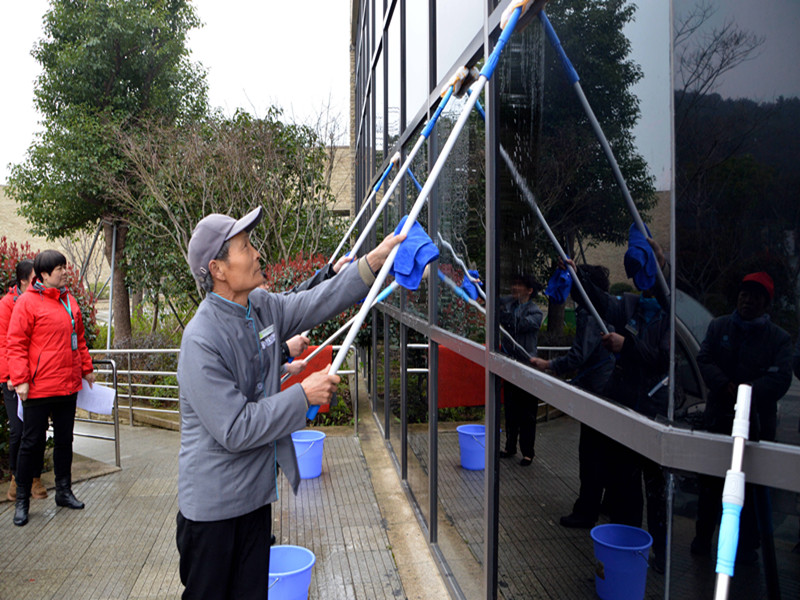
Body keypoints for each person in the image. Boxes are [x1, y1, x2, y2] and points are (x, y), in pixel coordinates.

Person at [175, 207, 403, 600]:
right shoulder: (201, 339)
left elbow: (319, 300)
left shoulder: (261, 306)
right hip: (213, 513)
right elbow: (235, 428)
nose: (257, 253)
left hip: (255, 500)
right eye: (245, 247)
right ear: (218, 269)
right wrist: (302, 394)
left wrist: (372, 263)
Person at [566, 240, 670, 572]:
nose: (643, 277)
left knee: (655, 489)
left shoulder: (671, 316)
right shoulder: (630, 306)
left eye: (651, 269)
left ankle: (663, 555)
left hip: (655, 410)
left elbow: (666, 361)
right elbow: (597, 301)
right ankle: (628, 550)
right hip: (625, 405)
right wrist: (576, 272)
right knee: (625, 486)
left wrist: (628, 346)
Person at [692, 272, 793, 562]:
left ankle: (747, 546)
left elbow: (781, 378)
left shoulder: (779, 339)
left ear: (766, 304)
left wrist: (746, 393)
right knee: (710, 486)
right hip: (718, 421)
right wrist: (725, 385)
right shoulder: (719, 326)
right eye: (744, 294)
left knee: (750, 490)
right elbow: (704, 359)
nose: (748, 301)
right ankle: (703, 538)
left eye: (756, 297)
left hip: (756, 426)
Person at [7, 250, 95, 526]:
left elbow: (78, 338)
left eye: (64, 267)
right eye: (59, 268)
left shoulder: (69, 300)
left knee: (65, 440)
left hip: (67, 384)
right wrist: (20, 378)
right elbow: (16, 343)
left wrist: (87, 367)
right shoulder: (27, 303)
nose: (64, 272)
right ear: (44, 274)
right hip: (39, 387)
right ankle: (22, 499)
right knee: (31, 444)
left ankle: (64, 490)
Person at [530, 264, 615, 528]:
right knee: (604, 451)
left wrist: (550, 365)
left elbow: (580, 355)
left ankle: (586, 510)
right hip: (607, 391)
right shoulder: (608, 308)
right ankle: (606, 503)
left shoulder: (590, 313)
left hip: (597, 393)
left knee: (590, 453)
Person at [1, 259, 48, 502]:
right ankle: (16, 479)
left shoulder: (40, 299)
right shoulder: (7, 304)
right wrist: (11, 375)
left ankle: (35, 477)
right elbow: (6, 342)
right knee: (18, 430)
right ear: (22, 281)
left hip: (36, 376)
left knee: (38, 429)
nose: (38, 283)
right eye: (33, 279)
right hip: (12, 379)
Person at [498, 274, 543, 466]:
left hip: (527, 368)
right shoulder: (510, 304)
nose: (514, 288)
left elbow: (518, 325)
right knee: (510, 409)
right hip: (510, 366)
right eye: (513, 284)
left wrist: (501, 313)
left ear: (529, 290)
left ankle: (528, 452)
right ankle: (510, 446)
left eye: (519, 285)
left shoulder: (535, 312)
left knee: (527, 413)